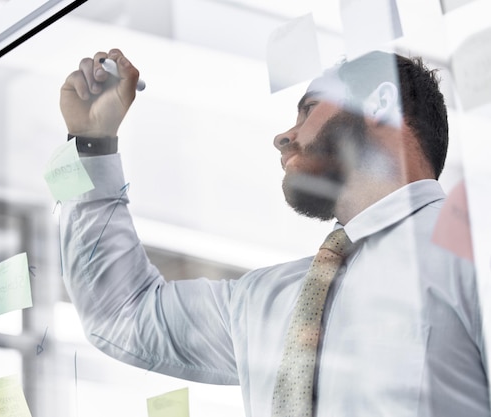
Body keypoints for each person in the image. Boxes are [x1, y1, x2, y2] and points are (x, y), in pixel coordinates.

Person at [58, 48, 489, 416]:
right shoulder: (265, 301)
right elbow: (120, 315)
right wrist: (89, 145)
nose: (283, 136)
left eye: (309, 108)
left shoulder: (475, 247)